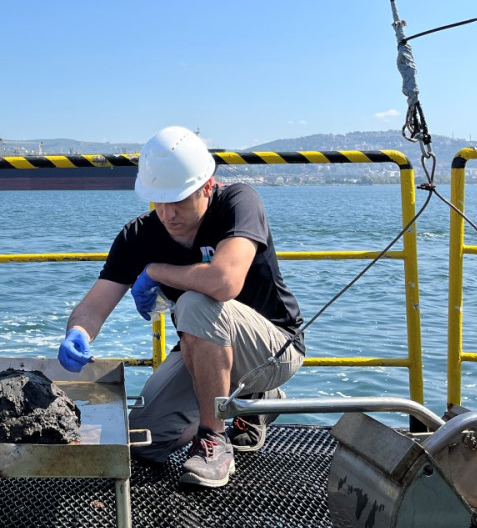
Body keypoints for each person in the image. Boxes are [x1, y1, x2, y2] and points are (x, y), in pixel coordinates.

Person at [57, 126, 304, 488]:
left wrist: (156, 271)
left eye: (179, 200)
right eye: (159, 201)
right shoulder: (139, 235)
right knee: (142, 438)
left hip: (273, 350)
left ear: (207, 186)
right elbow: (93, 306)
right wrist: (77, 332)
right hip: (204, 350)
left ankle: (215, 440)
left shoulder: (239, 202)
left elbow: (224, 281)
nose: (168, 213)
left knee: (195, 302)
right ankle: (241, 407)